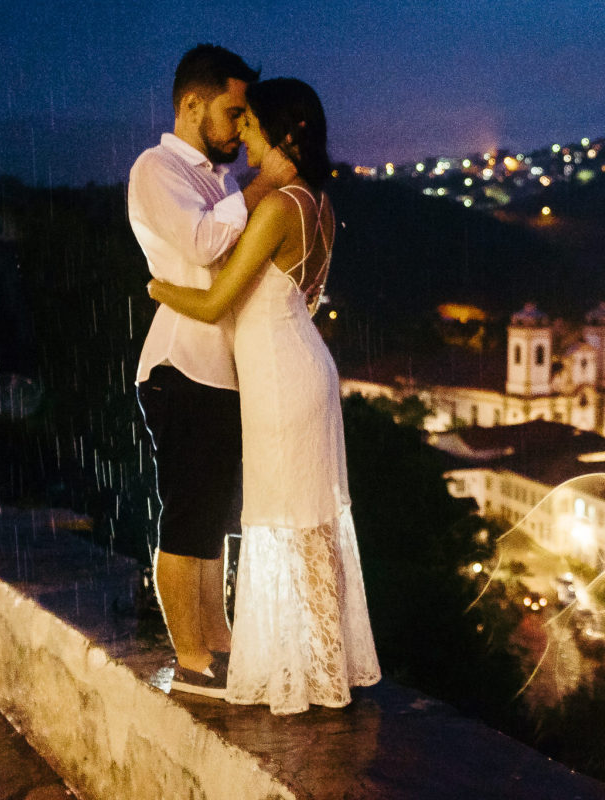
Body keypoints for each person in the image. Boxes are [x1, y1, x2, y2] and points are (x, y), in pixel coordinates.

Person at [147, 77, 381, 714]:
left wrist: (159, 289)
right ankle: (322, 662)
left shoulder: (278, 207)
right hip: (303, 364)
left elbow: (218, 300)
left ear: (279, 134)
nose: (241, 139)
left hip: (280, 376)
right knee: (310, 520)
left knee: (284, 519)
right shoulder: (318, 203)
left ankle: (309, 671)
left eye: (249, 127)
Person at [131, 44, 295, 698]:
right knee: (187, 517)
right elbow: (201, 243)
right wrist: (263, 184)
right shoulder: (156, 169)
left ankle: (220, 644)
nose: (238, 126)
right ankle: (195, 662)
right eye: (232, 111)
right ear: (192, 104)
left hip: (224, 373)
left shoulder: (220, 180)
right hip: (183, 368)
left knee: (211, 524)